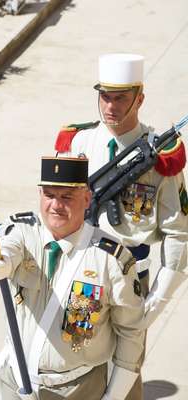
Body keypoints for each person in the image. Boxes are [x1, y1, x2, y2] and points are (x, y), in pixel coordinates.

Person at [55, 53, 188, 399]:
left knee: (125, 375)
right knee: (76, 362)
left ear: (139, 99)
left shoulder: (160, 155)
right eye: (105, 96)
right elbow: (55, 209)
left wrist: (158, 301)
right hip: (84, 277)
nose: (110, 107)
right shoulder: (78, 143)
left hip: (133, 283)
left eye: (121, 98)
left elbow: (179, 233)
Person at [0, 156, 145, 400]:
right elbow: (9, 246)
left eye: (66, 197)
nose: (56, 205)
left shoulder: (110, 259)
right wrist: (2, 261)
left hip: (78, 388)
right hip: (15, 381)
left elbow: (131, 332)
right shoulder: (23, 232)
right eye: (49, 195)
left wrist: (114, 395)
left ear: (87, 198)